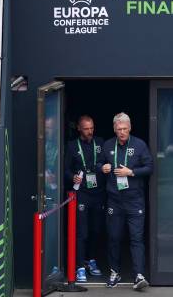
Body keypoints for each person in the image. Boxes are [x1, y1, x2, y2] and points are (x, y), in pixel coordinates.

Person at [100, 113, 153, 290]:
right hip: (114, 200)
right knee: (114, 237)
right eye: (119, 129)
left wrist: (131, 172)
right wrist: (103, 167)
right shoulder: (108, 145)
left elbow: (149, 167)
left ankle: (139, 275)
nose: (122, 132)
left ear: (130, 128)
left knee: (136, 238)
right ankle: (115, 272)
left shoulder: (139, 145)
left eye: (125, 129)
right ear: (114, 129)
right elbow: (99, 164)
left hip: (134, 200)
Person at [64, 115, 105, 282]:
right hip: (81, 193)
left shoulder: (101, 143)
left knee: (96, 230)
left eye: (92, 128)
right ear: (79, 129)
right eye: (87, 128)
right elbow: (65, 169)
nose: (90, 131)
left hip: (98, 192)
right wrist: (72, 177)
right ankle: (79, 265)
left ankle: (91, 260)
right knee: (82, 232)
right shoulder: (72, 146)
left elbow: (106, 161)